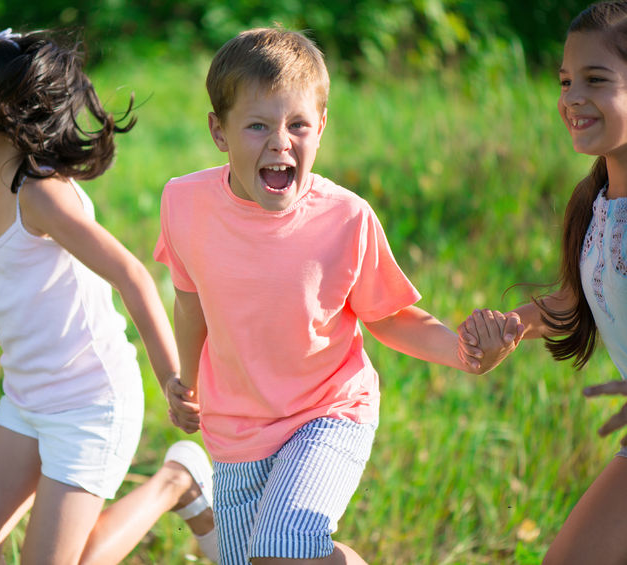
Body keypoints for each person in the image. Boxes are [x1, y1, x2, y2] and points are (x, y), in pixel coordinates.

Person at [153, 27, 517, 565]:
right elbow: (189, 300)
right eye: (257, 125)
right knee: (253, 559)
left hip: (327, 412)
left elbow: (390, 317)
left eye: (297, 124)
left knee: (281, 549)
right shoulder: (184, 203)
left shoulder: (345, 218)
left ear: (321, 127)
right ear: (219, 131)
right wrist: (187, 383)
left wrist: (465, 355)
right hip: (235, 429)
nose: (280, 141)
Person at [0, 29, 218, 564]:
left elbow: (132, 276)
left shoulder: (41, 195)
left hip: (91, 404)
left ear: (16, 113)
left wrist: (170, 379)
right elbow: (19, 308)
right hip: (27, 399)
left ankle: (175, 482)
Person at [459, 3, 627, 564]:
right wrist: (510, 327)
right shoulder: (597, 202)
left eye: (595, 80)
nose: (572, 97)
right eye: (565, 81)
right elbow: (584, 298)